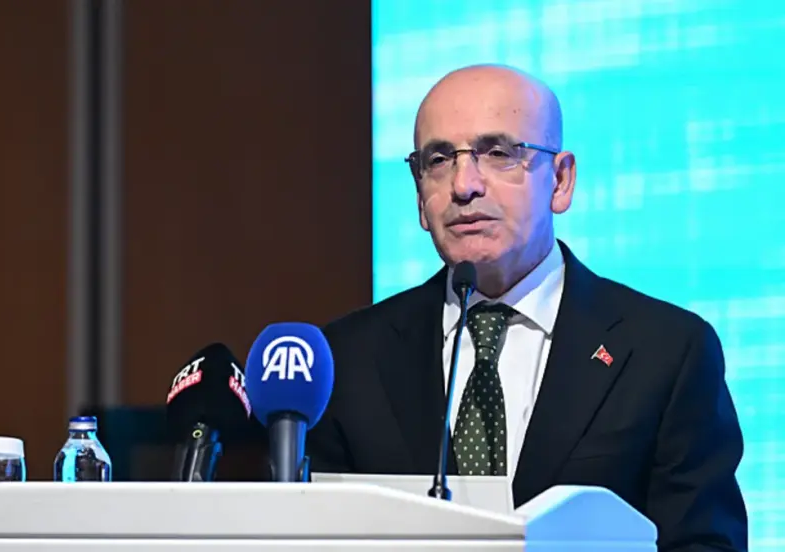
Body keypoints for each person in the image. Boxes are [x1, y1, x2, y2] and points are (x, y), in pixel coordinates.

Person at [307, 64, 747, 551]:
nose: (463, 185)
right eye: (439, 160)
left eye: (499, 153)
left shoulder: (666, 351)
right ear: (419, 193)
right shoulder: (346, 359)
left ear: (560, 181)